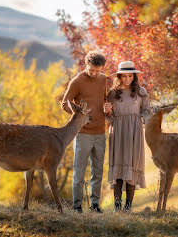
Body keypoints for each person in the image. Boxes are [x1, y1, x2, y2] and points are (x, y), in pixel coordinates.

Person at [61, 51, 107, 213]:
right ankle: (77, 206)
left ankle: (95, 205)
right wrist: (79, 118)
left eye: (98, 70)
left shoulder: (103, 79)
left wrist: (108, 108)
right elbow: (65, 104)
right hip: (83, 134)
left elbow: (105, 100)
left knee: (98, 170)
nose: (94, 73)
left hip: (101, 132)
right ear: (86, 65)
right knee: (79, 170)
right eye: (91, 70)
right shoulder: (77, 81)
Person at [104, 61, 149, 212]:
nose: (127, 79)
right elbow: (109, 118)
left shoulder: (141, 92)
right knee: (118, 168)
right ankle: (117, 206)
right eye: (124, 76)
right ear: (119, 76)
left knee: (132, 167)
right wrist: (108, 112)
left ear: (134, 76)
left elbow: (146, 111)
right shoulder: (111, 93)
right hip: (117, 131)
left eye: (130, 76)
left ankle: (128, 207)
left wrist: (140, 120)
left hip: (134, 132)